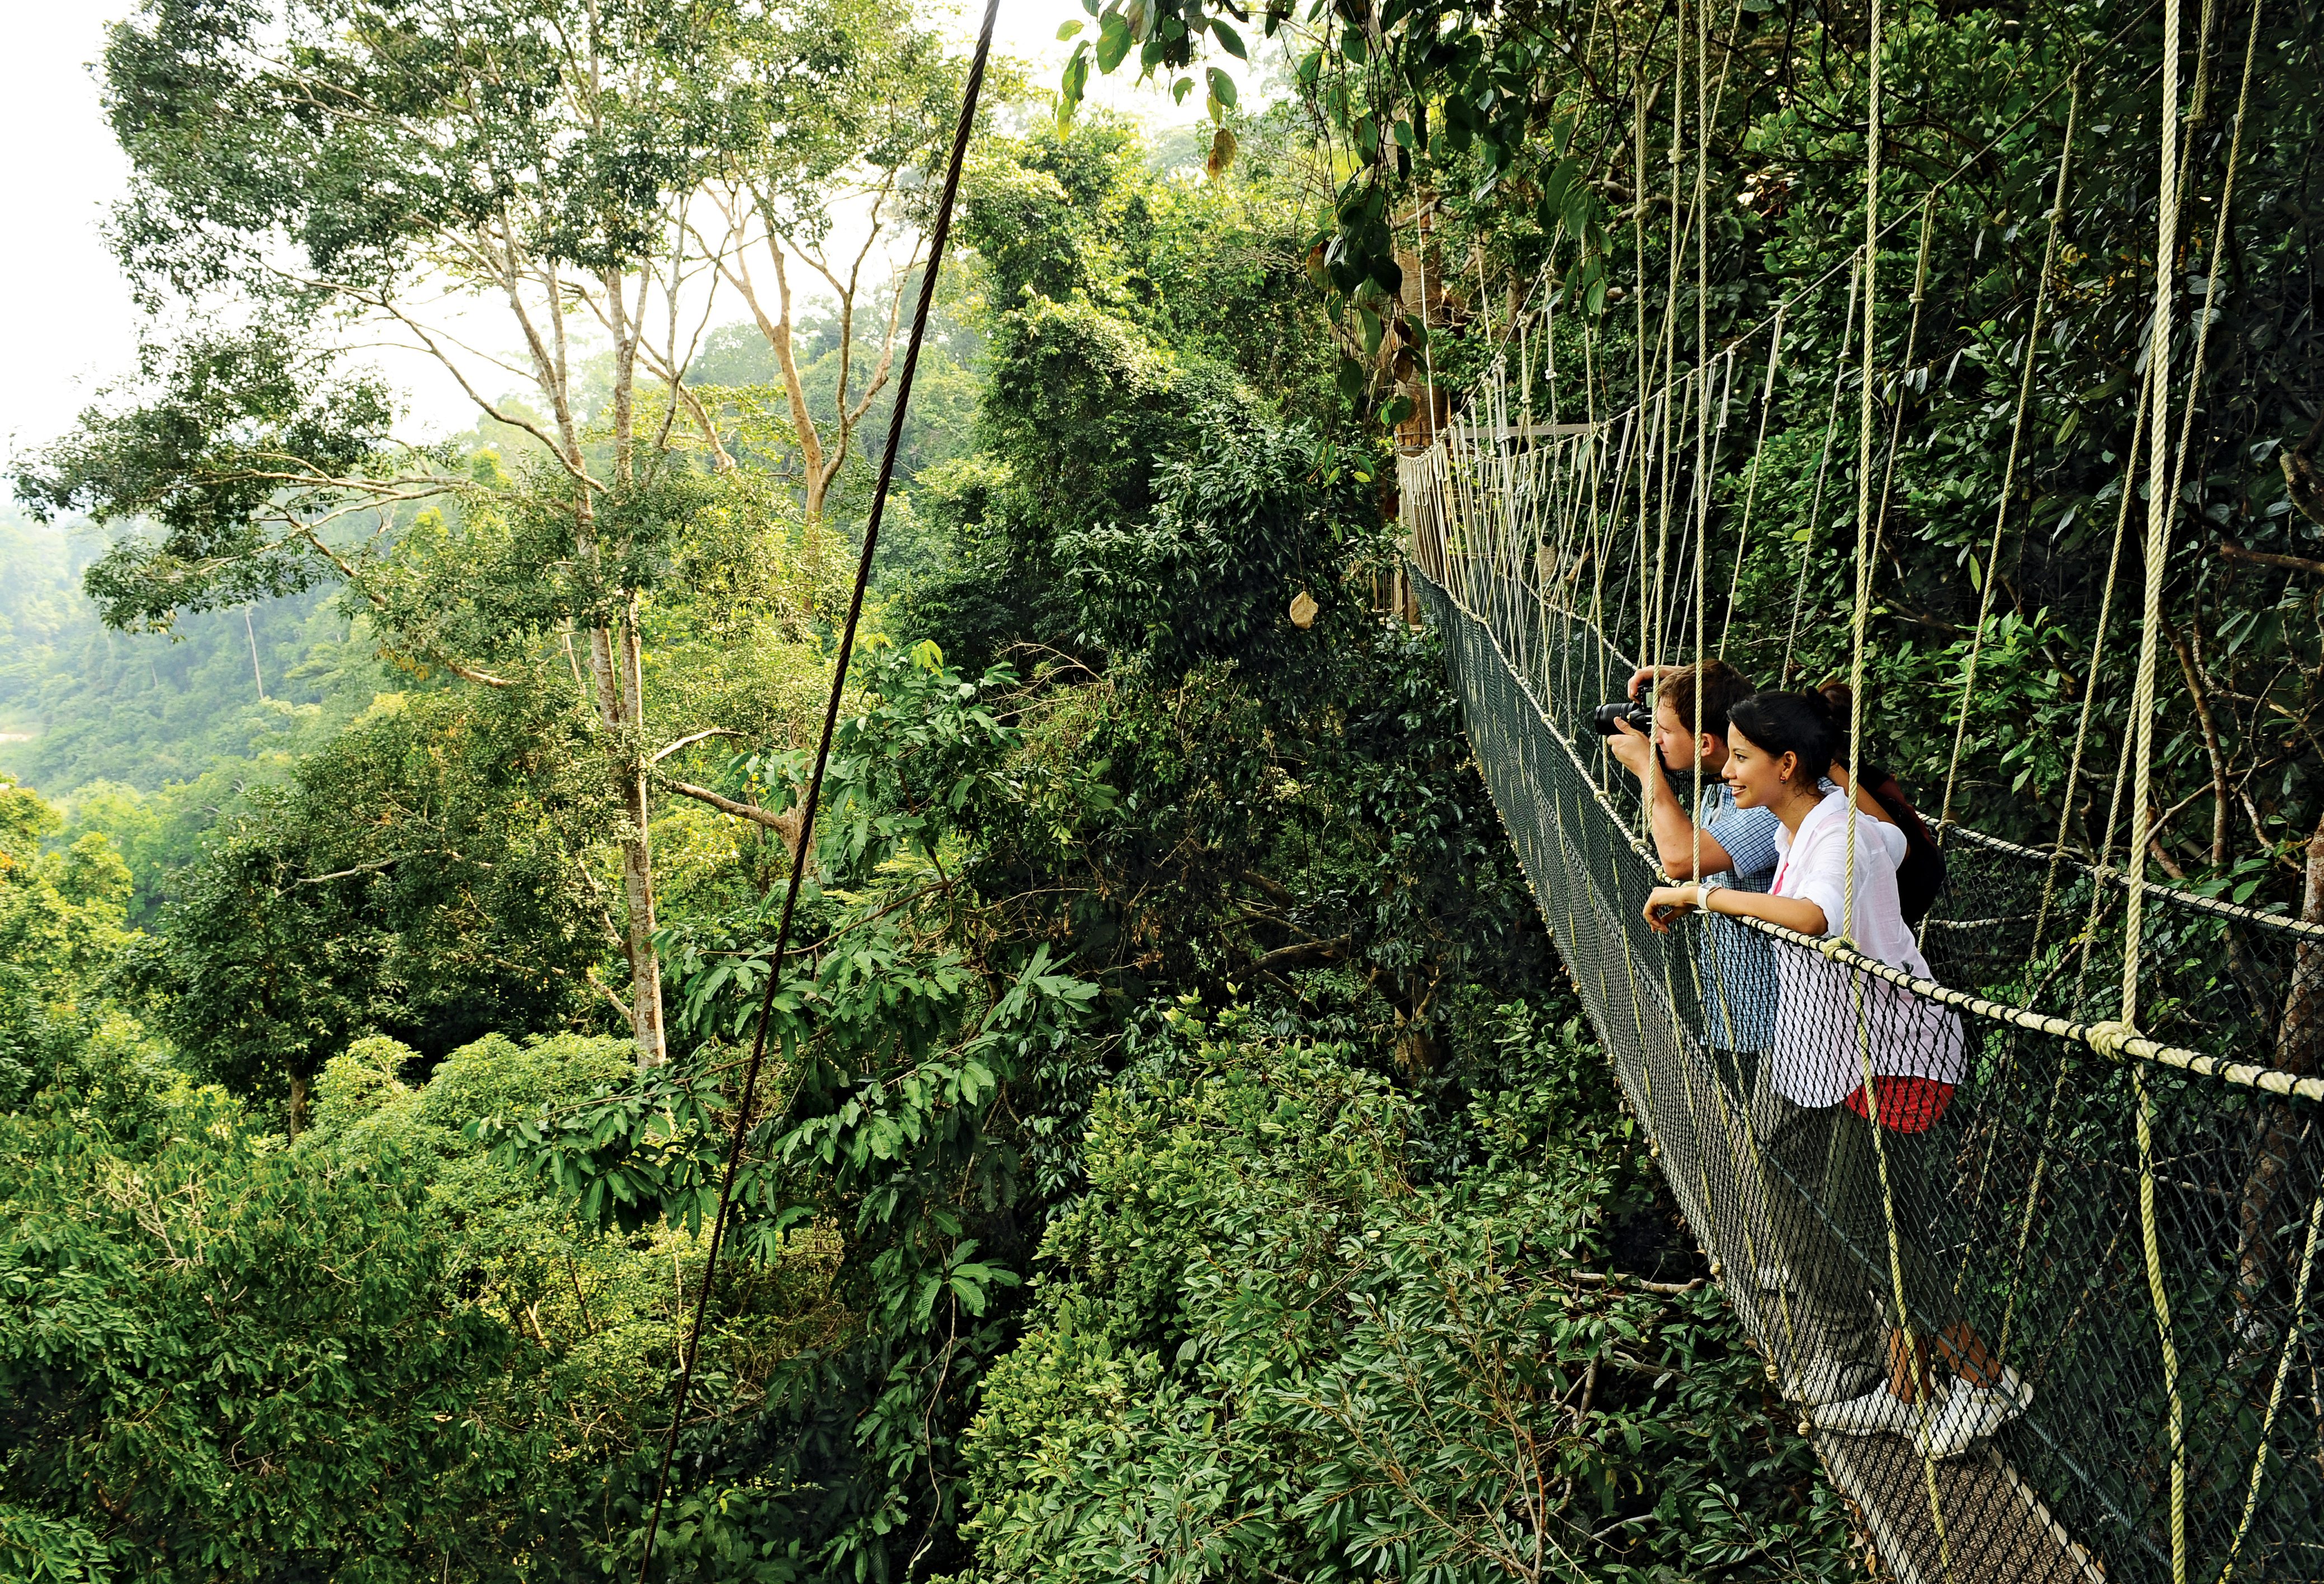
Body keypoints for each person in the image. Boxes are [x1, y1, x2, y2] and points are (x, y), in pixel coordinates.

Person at [1641, 690, 2027, 1459]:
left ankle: (1987, 1381)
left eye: (1741, 757)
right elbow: (1894, 844)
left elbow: (1815, 916)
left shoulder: (1834, 836)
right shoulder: (1808, 826)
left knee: (1873, 1228)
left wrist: (1700, 894)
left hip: (1891, 1060)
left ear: (1787, 764)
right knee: (1862, 1215)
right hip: (1843, 1054)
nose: (1727, 769)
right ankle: (1908, 1388)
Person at [1604, 660, 1783, 1067]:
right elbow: (1740, 712)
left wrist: (1647, 770)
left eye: (1664, 731)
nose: (1653, 738)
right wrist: (1690, 682)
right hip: (1737, 1002)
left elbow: (1681, 858)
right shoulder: (1723, 784)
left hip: (1783, 1022)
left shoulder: (1769, 798)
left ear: (1704, 744)